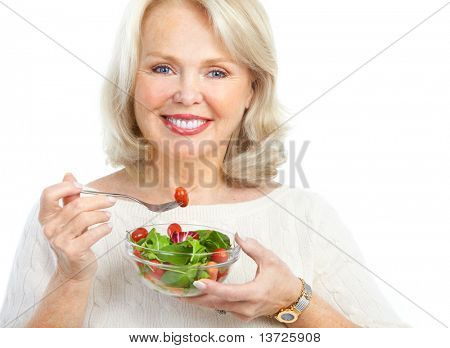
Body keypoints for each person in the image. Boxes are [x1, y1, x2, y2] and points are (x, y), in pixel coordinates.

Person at [0, 0, 409, 328]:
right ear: (130, 81)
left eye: (216, 71)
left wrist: (292, 301)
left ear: (252, 89)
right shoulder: (68, 222)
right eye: (163, 68)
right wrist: (70, 278)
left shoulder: (307, 218)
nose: (187, 93)